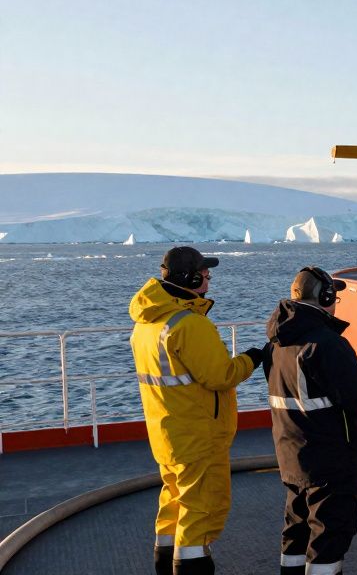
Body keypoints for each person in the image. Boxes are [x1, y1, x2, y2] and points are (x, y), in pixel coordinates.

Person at [129, 246, 263, 575]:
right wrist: (254, 357)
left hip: (166, 433)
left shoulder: (147, 323)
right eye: (205, 273)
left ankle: (164, 562)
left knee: (174, 500)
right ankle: (191, 565)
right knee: (202, 508)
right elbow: (222, 376)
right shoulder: (190, 325)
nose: (209, 278)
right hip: (199, 435)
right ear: (190, 278)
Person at [266, 266, 357, 575]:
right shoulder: (327, 344)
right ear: (325, 297)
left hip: (292, 455)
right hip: (330, 460)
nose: (336, 300)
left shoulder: (276, 341)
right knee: (329, 537)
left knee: (296, 531)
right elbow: (356, 395)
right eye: (334, 295)